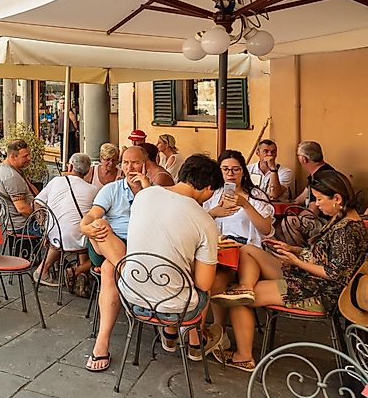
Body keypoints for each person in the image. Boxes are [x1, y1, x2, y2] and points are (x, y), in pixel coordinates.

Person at [212, 169, 368, 372]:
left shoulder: (347, 230)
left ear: (337, 198)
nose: (317, 204)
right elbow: (324, 255)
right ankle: (246, 286)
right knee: (248, 250)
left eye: (320, 199)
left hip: (321, 291)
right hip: (308, 277)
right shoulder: (342, 219)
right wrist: (293, 250)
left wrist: (297, 261)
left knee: (236, 299)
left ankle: (244, 356)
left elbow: (335, 274)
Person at [114, 154, 228, 363]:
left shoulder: (144, 196)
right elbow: (203, 283)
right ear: (209, 188)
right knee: (203, 283)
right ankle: (195, 344)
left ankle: (170, 335)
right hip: (174, 308)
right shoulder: (204, 221)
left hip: (131, 296)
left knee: (170, 271)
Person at [77, 146, 151, 371]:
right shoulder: (112, 189)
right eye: (126, 163)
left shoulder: (155, 192)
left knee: (110, 271)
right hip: (108, 244)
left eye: (135, 163)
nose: (130, 168)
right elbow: (92, 215)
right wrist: (84, 226)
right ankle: (133, 279)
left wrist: (146, 190)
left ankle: (102, 343)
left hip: (137, 249)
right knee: (99, 224)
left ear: (145, 165)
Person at [204, 150, 274, 328]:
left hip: (246, 252)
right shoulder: (212, 194)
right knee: (213, 278)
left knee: (218, 279)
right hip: (219, 248)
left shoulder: (256, 196)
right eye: (225, 169)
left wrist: (246, 205)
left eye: (235, 169)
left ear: (243, 171)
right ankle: (213, 330)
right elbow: (197, 220)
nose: (230, 174)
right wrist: (214, 213)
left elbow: (266, 229)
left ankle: (217, 328)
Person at [34, 153, 99, 290]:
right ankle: (80, 271)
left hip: (54, 236)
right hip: (78, 238)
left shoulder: (56, 181)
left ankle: (43, 270)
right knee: (87, 235)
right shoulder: (93, 190)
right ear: (88, 171)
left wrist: (43, 226)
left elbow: (37, 203)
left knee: (68, 233)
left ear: (70, 166)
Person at [0, 139, 39, 234]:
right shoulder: (11, 176)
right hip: (23, 225)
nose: (29, 158)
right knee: (59, 233)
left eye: (29, 154)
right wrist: (41, 215)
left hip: (20, 222)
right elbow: (22, 209)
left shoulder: (12, 169)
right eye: (25, 156)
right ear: (13, 157)